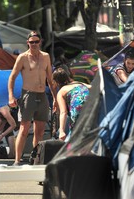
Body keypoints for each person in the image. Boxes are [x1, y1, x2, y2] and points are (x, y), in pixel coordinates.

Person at [8, 31, 57, 166]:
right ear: (27, 43)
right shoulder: (23, 57)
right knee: (24, 128)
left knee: (40, 130)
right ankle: (17, 160)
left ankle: (36, 158)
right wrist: (11, 96)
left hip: (42, 95)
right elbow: (12, 77)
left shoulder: (46, 56)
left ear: (40, 42)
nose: (34, 44)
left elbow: (50, 79)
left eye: (36, 42)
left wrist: (55, 98)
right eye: (31, 42)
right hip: (28, 94)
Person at [52, 68, 91, 141]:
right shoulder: (78, 83)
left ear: (56, 82)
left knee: (73, 135)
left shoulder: (61, 92)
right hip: (91, 108)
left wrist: (61, 131)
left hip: (77, 111)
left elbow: (63, 112)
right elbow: (91, 87)